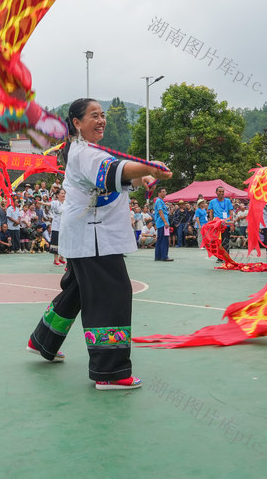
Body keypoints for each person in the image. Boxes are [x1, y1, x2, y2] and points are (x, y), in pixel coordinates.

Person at [27, 99, 171, 391]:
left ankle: (43, 339)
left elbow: (114, 175)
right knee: (111, 296)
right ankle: (110, 372)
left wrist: (141, 175)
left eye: (103, 115)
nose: (102, 120)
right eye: (94, 116)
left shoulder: (86, 151)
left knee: (77, 292)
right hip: (94, 238)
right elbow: (110, 171)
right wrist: (149, 169)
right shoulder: (84, 153)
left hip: (87, 236)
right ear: (77, 123)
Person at [208, 187, 234, 258]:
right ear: (216, 192)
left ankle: (226, 256)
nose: (221, 193)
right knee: (218, 241)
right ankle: (219, 257)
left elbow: (231, 212)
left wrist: (231, 223)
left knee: (225, 241)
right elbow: (211, 213)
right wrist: (211, 222)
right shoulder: (212, 202)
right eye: (219, 191)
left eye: (222, 191)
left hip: (226, 224)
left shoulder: (228, 201)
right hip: (217, 224)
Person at [152, 188, 171, 262]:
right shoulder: (159, 201)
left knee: (160, 239)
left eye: (165, 191)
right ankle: (164, 256)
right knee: (164, 240)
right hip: (162, 223)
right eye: (163, 192)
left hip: (160, 223)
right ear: (159, 193)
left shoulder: (160, 201)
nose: (164, 193)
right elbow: (160, 211)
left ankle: (158, 256)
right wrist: (165, 222)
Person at [49, 189, 67, 266]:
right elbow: (49, 205)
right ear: (57, 195)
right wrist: (42, 203)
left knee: (65, 243)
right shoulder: (55, 202)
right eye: (62, 193)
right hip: (56, 226)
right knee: (56, 243)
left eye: (64, 193)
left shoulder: (67, 203)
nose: (63, 195)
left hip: (65, 226)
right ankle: (55, 260)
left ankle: (61, 258)